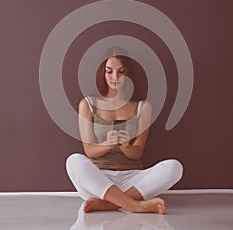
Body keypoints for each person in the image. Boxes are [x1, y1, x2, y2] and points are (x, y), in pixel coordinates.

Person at [66, 47, 183, 214]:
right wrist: (108, 144)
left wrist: (125, 146)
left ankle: (109, 204)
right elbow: (89, 151)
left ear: (128, 75)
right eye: (109, 72)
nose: (115, 77)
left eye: (121, 72)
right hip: (99, 181)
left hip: (133, 179)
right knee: (73, 161)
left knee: (174, 167)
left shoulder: (143, 107)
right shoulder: (87, 104)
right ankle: (135, 205)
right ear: (103, 73)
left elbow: (137, 153)